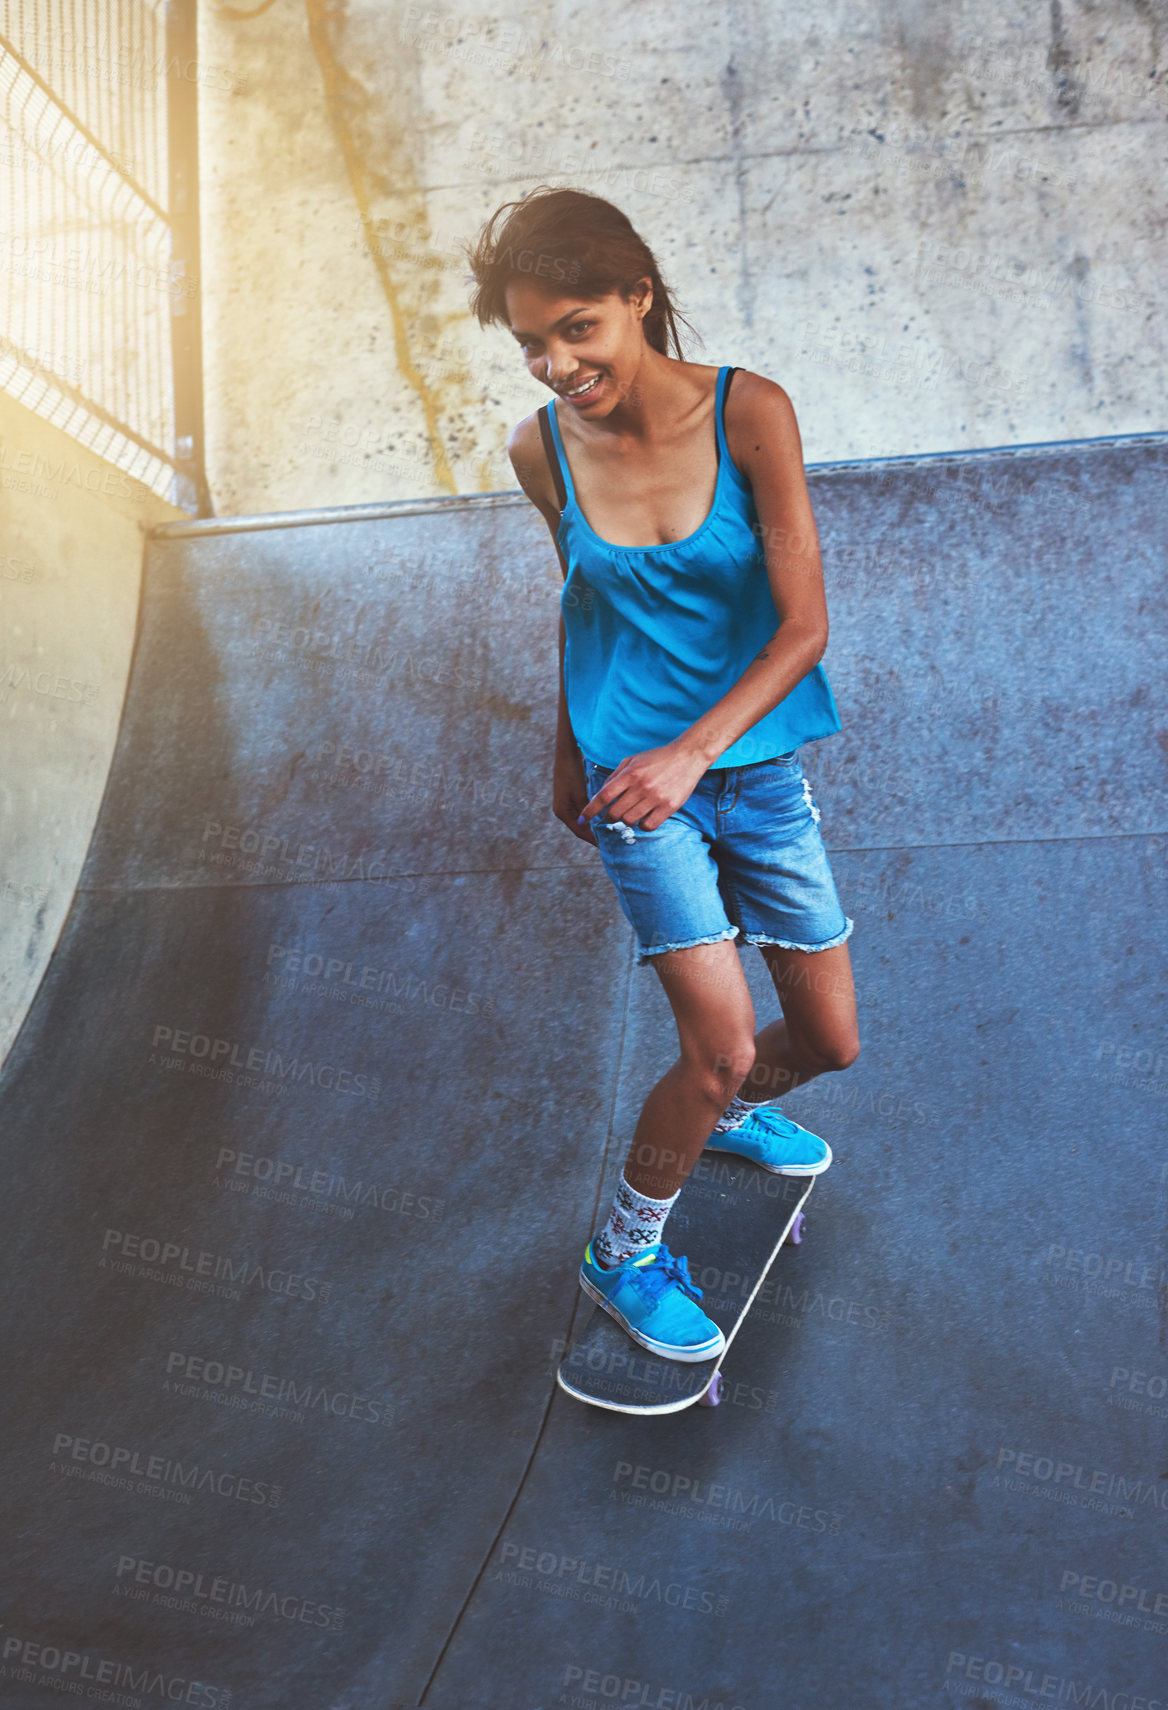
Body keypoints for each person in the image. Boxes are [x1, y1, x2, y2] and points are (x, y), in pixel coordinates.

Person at [464, 187, 859, 1364]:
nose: (554, 364)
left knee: (828, 1043)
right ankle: (622, 1254)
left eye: (577, 327)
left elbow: (802, 627)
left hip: (747, 772)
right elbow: (576, 602)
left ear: (637, 296)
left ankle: (726, 1118)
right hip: (636, 788)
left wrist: (701, 753)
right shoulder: (542, 450)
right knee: (720, 1043)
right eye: (531, 342)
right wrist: (568, 753)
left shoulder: (749, 414)